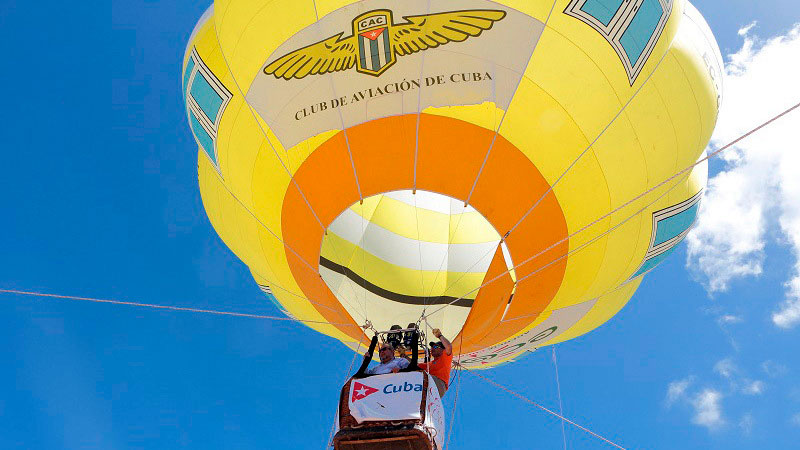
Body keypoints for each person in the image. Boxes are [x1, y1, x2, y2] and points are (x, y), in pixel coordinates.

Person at [418, 328, 452, 397]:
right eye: (432, 347)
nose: (432, 348)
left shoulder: (445, 357)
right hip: (429, 384)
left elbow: (448, 347)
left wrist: (439, 336)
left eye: (436, 346)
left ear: (442, 350)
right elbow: (414, 366)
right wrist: (403, 355)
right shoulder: (430, 364)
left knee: (419, 376)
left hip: (439, 385)